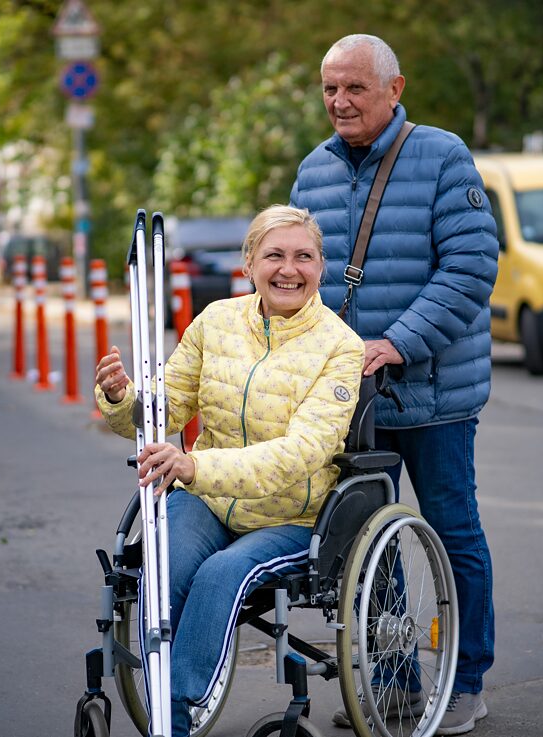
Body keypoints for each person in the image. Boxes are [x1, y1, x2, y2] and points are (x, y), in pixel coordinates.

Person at [290, 34, 499, 735]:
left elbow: (470, 268)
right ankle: (393, 684)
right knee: (365, 545)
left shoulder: (441, 156)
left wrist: (396, 344)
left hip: (433, 391)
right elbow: (297, 277)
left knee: (451, 532)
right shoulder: (312, 172)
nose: (339, 102)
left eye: (353, 88)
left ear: (394, 88)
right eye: (329, 89)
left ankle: (465, 681)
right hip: (350, 400)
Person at [94, 205, 365, 737]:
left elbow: (303, 452)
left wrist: (196, 465)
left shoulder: (340, 347)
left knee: (222, 573)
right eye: (275, 255)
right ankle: (168, 716)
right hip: (210, 501)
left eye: (303, 256)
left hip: (292, 514)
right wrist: (122, 398)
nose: (289, 269)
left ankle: (175, 711)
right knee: (162, 565)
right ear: (249, 263)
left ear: (320, 268)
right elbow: (162, 410)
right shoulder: (216, 320)